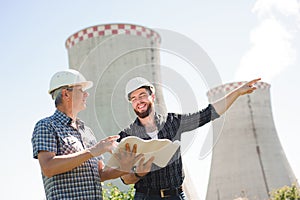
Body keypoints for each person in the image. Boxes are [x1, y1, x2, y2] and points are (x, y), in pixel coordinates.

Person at [118, 77, 261, 200]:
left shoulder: (173, 122)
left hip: (176, 195)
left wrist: (237, 93)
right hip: (146, 197)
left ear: (152, 97)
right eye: (134, 98)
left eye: (142, 95)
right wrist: (138, 174)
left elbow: (208, 113)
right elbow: (124, 178)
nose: (139, 101)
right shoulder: (126, 136)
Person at [31, 69, 142, 199]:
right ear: (66, 94)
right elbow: (48, 167)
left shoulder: (86, 131)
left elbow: (100, 174)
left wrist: (127, 166)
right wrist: (94, 150)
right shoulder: (46, 126)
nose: (86, 94)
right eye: (81, 90)